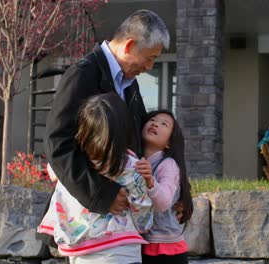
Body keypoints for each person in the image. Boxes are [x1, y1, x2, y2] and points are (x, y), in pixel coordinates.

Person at [44, 9, 170, 216]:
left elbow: (141, 140)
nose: (150, 67)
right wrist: (101, 194)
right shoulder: (82, 74)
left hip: (120, 221)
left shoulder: (130, 84)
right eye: (150, 58)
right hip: (81, 221)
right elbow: (57, 143)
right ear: (129, 45)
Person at [38, 93, 153, 264]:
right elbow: (143, 221)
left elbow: (53, 170)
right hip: (122, 252)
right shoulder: (130, 168)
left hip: (80, 253)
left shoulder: (70, 166)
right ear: (124, 131)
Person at [137, 110, 194, 264]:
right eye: (153, 120)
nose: (155, 124)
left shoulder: (168, 165)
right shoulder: (135, 161)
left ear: (169, 143)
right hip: (145, 243)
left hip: (167, 249)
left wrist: (150, 181)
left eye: (164, 124)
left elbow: (163, 203)